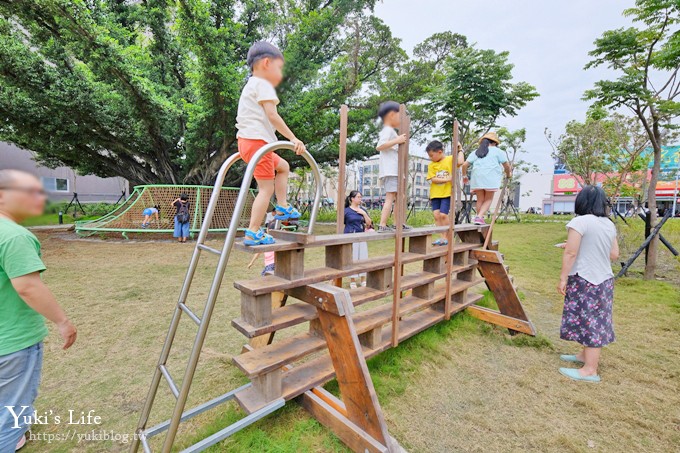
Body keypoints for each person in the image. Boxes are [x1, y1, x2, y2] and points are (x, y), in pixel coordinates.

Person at [0, 170, 77, 452]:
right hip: (12, 341)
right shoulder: (14, 237)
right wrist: (63, 321)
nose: (37, 199)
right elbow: (28, 287)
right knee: (12, 407)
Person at [236, 41, 306, 246]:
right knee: (266, 189)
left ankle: (282, 206)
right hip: (258, 143)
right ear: (267, 63)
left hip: (248, 143)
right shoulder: (263, 84)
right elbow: (273, 116)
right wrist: (293, 138)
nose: (280, 73)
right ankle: (253, 231)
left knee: (283, 166)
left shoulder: (250, 85)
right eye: (279, 67)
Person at [557, 185, 619, 383]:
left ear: (582, 201)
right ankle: (584, 356)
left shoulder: (580, 221)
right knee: (591, 319)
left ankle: (590, 370)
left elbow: (571, 252)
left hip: (585, 279)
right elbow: (613, 254)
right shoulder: (608, 224)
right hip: (604, 280)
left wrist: (563, 278)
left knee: (590, 322)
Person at [461, 131, 511, 225]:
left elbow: (464, 165)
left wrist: (464, 176)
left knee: (480, 199)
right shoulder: (498, 151)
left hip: (477, 177)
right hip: (490, 177)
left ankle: (478, 218)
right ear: (495, 142)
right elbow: (507, 166)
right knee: (488, 199)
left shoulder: (476, 152)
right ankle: (479, 217)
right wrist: (508, 174)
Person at [375, 101, 409, 233]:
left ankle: (397, 223)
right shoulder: (388, 130)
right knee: (391, 197)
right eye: (399, 116)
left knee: (400, 197)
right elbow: (379, 146)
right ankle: (383, 224)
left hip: (396, 170)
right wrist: (398, 140)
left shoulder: (392, 131)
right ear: (391, 115)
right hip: (391, 170)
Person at [426, 140, 464, 245]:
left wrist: (460, 150)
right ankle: (442, 237)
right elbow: (433, 179)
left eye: (431, 155)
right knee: (436, 215)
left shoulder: (450, 159)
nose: (430, 158)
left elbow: (460, 162)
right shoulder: (431, 165)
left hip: (446, 193)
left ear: (439, 152)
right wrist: (447, 179)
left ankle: (447, 237)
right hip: (435, 194)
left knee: (443, 215)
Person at [344, 191, 373, 288]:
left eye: (361, 197)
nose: (360, 199)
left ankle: (363, 279)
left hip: (361, 235)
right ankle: (352, 280)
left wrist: (364, 213)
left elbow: (369, 223)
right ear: (352, 198)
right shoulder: (346, 211)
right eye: (358, 197)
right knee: (353, 258)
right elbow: (342, 223)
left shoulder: (363, 210)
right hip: (350, 236)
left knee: (363, 257)